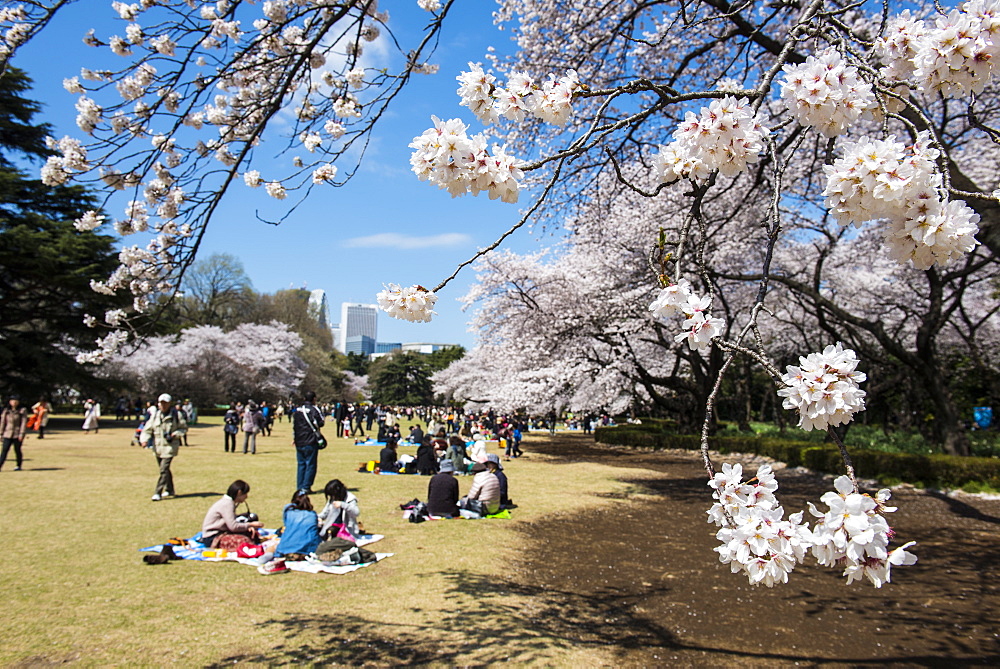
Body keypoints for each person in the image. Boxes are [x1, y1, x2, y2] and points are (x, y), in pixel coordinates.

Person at [141, 393, 187, 501]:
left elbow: (184, 428)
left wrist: (175, 434)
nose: (163, 405)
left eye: (165, 403)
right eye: (161, 403)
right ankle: (170, 489)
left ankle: (158, 492)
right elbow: (147, 429)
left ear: (169, 403)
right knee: (165, 470)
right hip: (158, 447)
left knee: (163, 469)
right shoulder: (155, 415)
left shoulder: (177, 415)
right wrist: (144, 440)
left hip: (170, 446)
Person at [201, 479, 263, 549]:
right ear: (239, 492)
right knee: (244, 541)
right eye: (245, 494)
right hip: (212, 537)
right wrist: (250, 525)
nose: (246, 496)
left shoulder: (228, 502)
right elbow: (233, 526)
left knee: (251, 534)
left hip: (222, 532)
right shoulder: (227, 504)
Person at [292, 391, 324, 493]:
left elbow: (295, 425)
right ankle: (306, 487)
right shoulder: (314, 410)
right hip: (310, 440)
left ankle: (300, 486)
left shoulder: (297, 410)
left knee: (301, 464)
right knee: (310, 464)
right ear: (314, 399)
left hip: (299, 440)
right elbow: (321, 422)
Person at [275, 489, 321, 558]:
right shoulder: (312, 514)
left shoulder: (288, 510)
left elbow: (286, 524)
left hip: (285, 549)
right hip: (308, 551)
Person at [0, 394, 28, 471]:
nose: (14, 402)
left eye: (16, 401)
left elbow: (23, 423)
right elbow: (3, 422)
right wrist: (1, 433)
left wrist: (21, 434)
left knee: (17, 450)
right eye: (12, 401)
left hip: (17, 433)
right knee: (4, 450)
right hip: (7, 433)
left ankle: (18, 465)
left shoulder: (22, 410)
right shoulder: (6, 411)